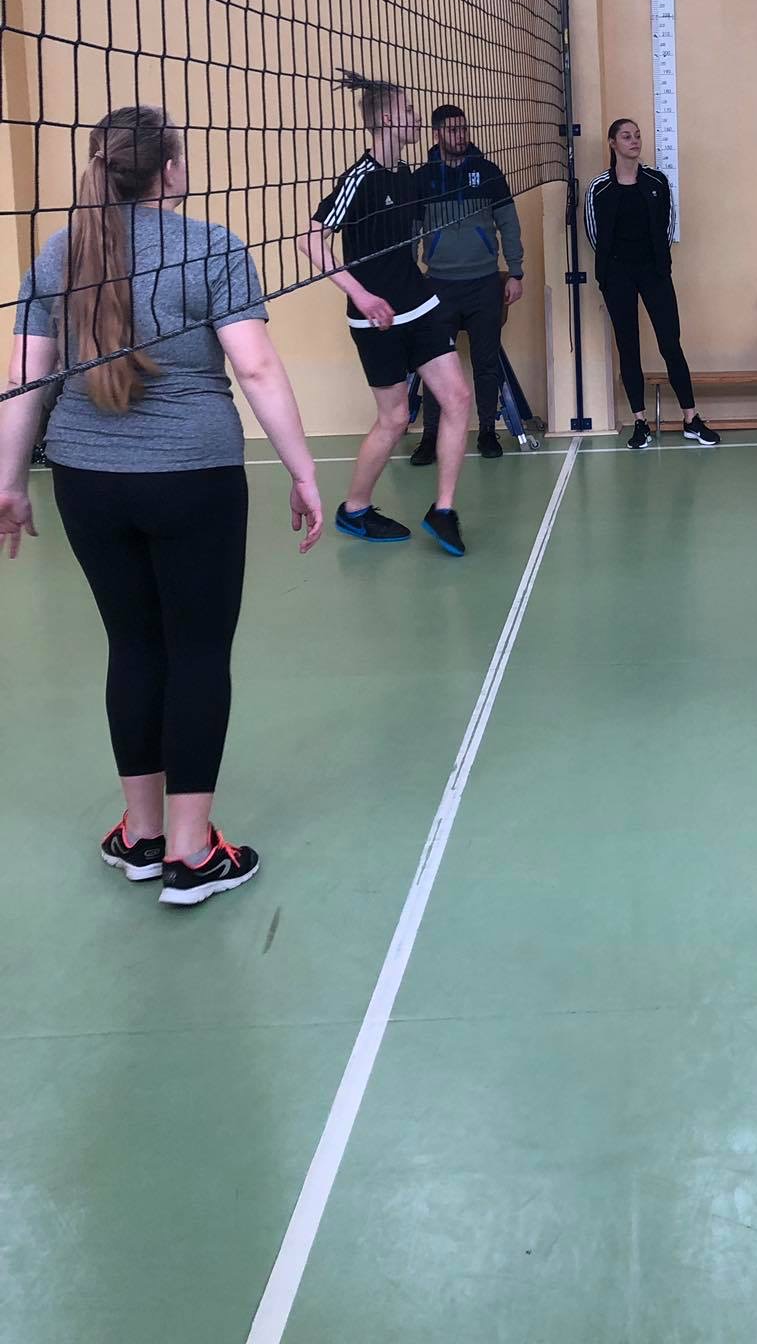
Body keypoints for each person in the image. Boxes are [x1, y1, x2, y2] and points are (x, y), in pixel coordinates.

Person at [0, 105, 324, 907]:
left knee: (134, 646)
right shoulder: (211, 245)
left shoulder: (60, 251)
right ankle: (190, 851)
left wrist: (7, 482)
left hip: (86, 478)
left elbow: (25, 380)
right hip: (193, 475)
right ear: (170, 170)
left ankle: (141, 835)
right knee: (198, 652)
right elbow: (255, 368)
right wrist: (303, 470)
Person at [301, 72, 472, 554]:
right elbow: (310, 240)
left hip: (419, 305)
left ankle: (443, 510)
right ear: (387, 119)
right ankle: (354, 509)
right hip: (375, 317)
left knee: (458, 398)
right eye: (409, 110)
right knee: (395, 420)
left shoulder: (406, 176)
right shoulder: (359, 179)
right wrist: (361, 294)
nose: (416, 117)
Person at [584, 119, 719, 450]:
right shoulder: (599, 188)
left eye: (637, 136)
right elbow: (593, 233)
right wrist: (611, 269)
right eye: (626, 136)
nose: (634, 141)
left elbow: (667, 226)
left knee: (670, 342)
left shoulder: (657, 181)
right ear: (612, 143)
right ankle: (640, 423)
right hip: (617, 275)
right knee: (628, 346)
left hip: (654, 272)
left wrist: (657, 262)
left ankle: (691, 419)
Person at [410, 104, 526, 467]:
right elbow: (411, 232)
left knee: (486, 362)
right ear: (437, 134)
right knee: (434, 366)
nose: (460, 135)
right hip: (439, 285)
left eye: (464, 129)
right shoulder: (422, 179)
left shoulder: (488, 172)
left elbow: (509, 223)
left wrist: (516, 272)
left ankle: (488, 431)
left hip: (484, 283)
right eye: (452, 130)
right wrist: (409, 280)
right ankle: (430, 437)